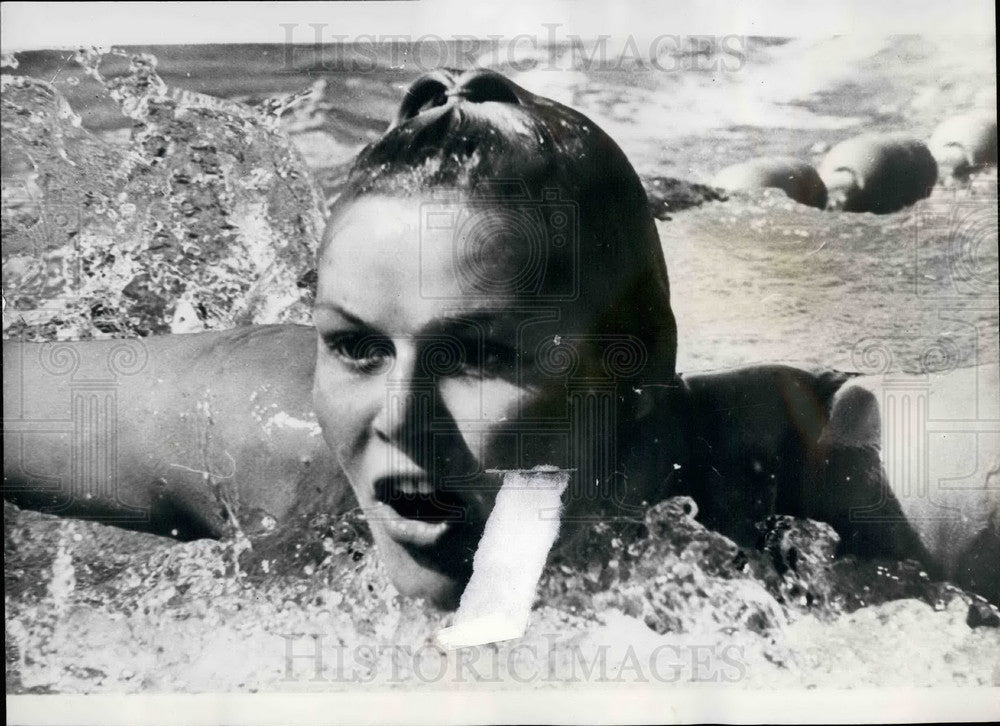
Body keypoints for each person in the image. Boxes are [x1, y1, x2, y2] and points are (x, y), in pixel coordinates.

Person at [4, 69, 997, 608]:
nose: (399, 424)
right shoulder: (269, 443)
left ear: (641, 370)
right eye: (354, 346)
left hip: (761, 261)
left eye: (481, 356)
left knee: (865, 181)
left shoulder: (828, 475)